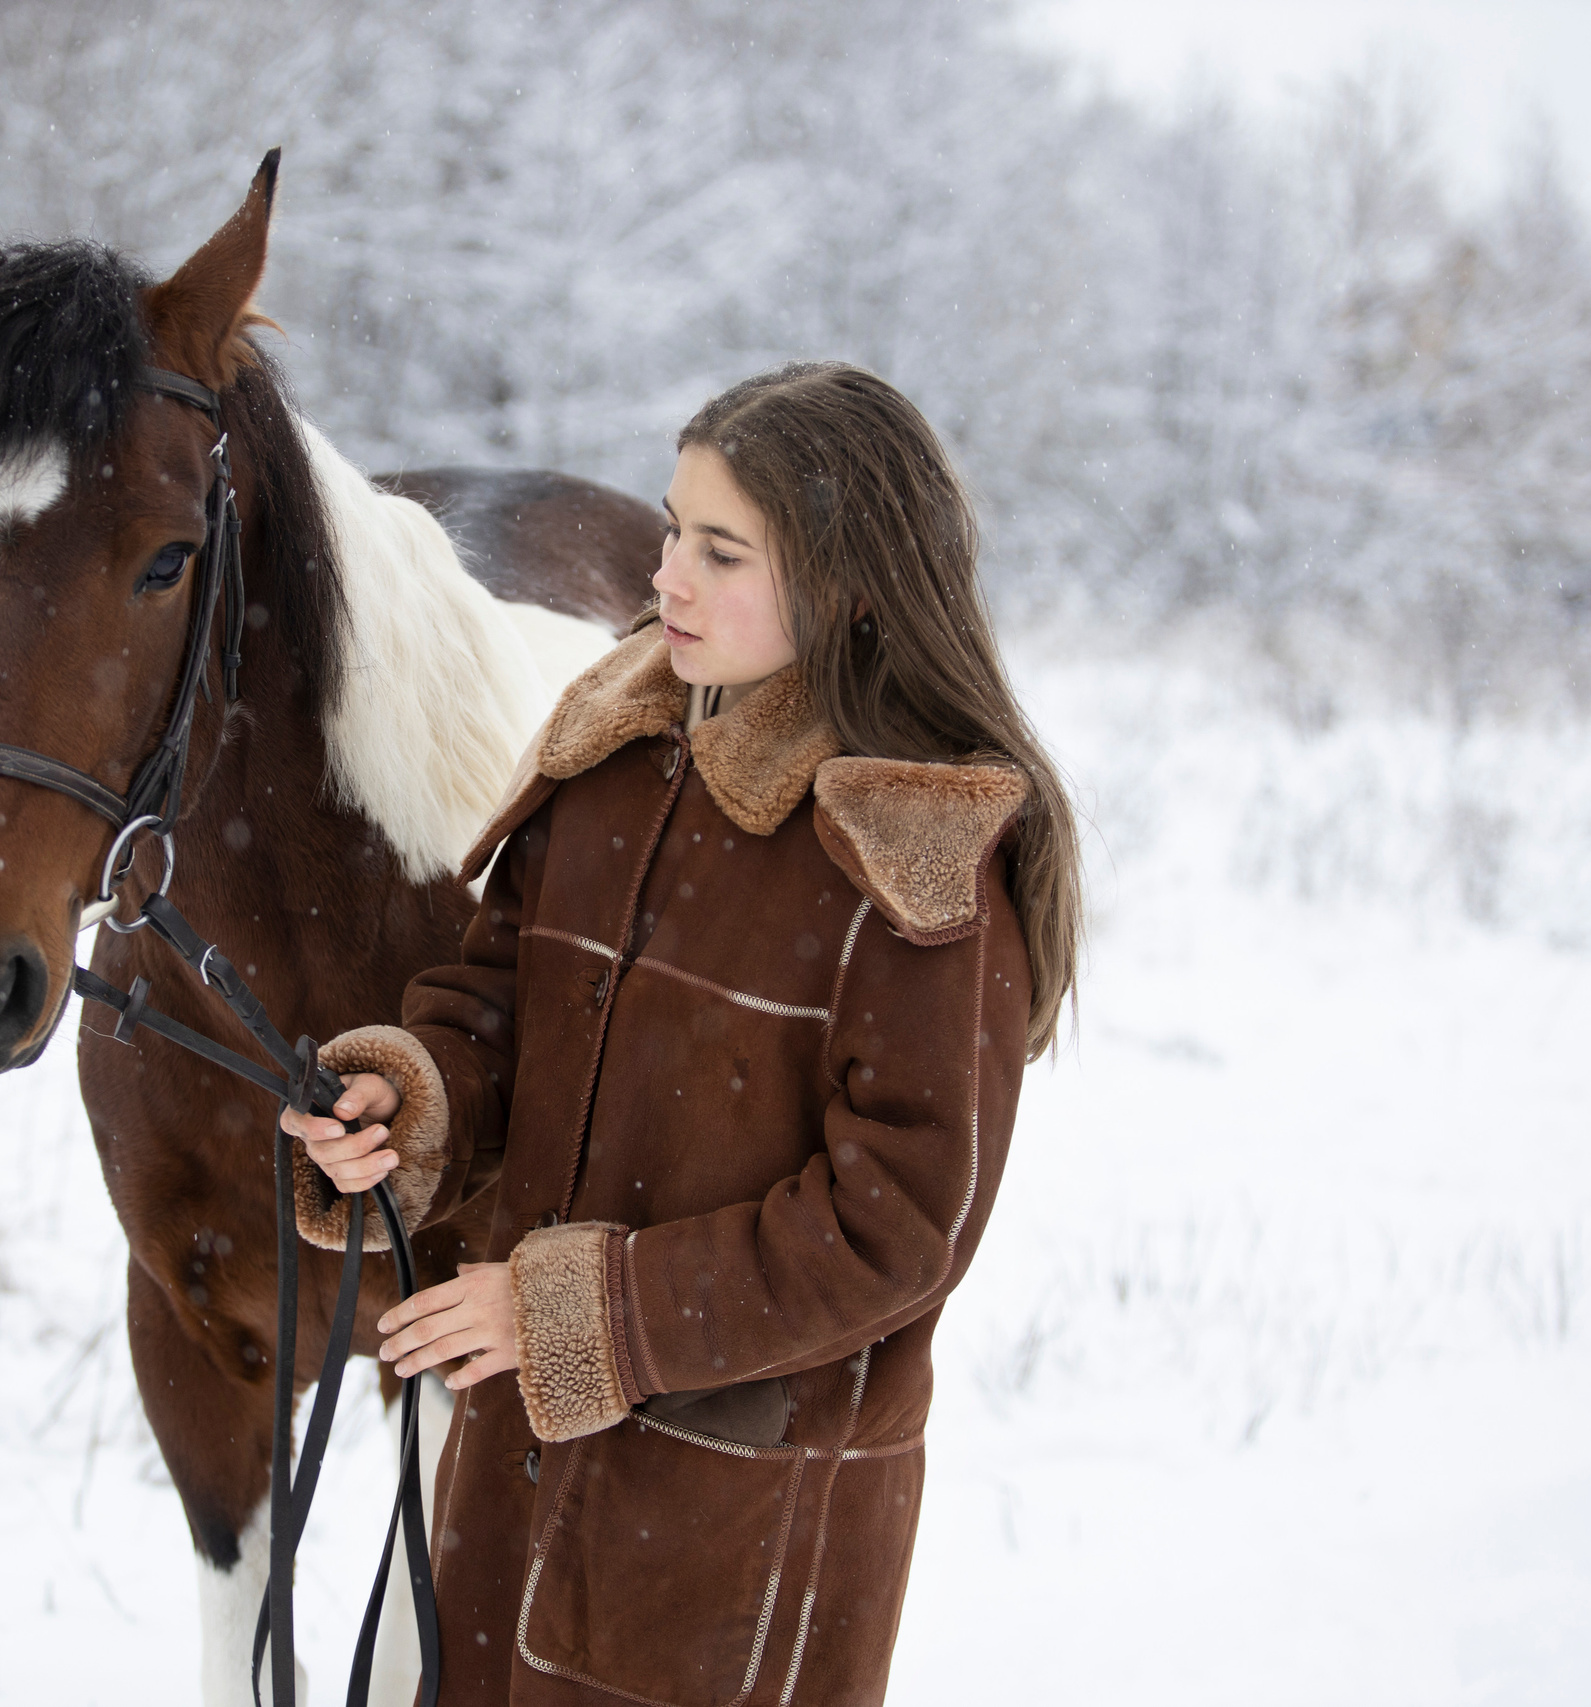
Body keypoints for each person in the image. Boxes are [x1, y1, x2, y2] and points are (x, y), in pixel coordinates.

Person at [279, 361, 1081, 1706]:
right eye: (670, 531)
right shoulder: (610, 757)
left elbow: (897, 1229)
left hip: (735, 1532)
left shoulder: (913, 858)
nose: (668, 581)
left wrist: (573, 1315)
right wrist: (409, 1110)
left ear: (854, 583)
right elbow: (497, 1005)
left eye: (723, 551)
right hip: (510, 1486)